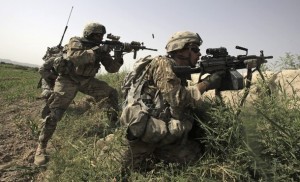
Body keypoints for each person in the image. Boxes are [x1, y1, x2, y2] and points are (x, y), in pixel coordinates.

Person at [119, 31, 225, 176]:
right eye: (194, 49)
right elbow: (177, 98)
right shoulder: (163, 64)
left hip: (161, 132)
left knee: (195, 154)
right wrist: (206, 84)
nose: (198, 54)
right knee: (130, 171)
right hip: (146, 134)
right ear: (181, 50)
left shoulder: (178, 70)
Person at [34, 22, 125, 166]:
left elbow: (112, 69)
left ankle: (113, 127)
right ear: (88, 34)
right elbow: (74, 57)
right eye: (96, 35)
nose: (99, 38)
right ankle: (41, 147)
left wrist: (118, 55)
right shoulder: (75, 41)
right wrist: (97, 50)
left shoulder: (101, 49)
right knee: (55, 113)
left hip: (87, 81)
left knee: (111, 93)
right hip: (68, 80)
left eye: (101, 35)